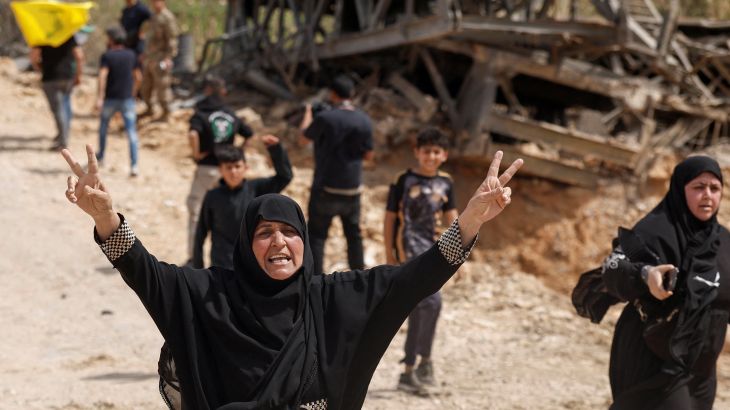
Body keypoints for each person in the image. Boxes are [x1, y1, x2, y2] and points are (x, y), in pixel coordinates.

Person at [61, 144, 522, 409]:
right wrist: (105, 218)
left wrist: (470, 221)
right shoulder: (210, 295)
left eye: (289, 232)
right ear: (247, 245)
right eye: (264, 233)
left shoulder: (335, 299)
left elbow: (416, 278)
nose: (279, 242)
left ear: (305, 240)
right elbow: (143, 271)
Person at [600, 155, 730, 410]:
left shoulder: (723, 242)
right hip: (653, 359)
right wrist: (646, 274)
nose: (707, 195)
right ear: (680, 189)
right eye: (698, 187)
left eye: (715, 188)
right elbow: (613, 266)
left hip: (701, 369)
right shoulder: (656, 230)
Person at [383, 128, 458, 394]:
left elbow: (453, 219)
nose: (431, 156)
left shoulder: (446, 182)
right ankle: (418, 365)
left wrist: (460, 255)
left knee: (424, 307)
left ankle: (414, 368)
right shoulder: (403, 179)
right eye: (426, 151)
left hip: (434, 250)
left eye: (436, 152)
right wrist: (389, 252)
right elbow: (390, 218)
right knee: (431, 302)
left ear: (444, 155)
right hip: (409, 250)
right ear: (417, 152)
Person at [299, 74, 373, 274]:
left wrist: (308, 112)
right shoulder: (364, 120)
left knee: (316, 236)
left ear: (332, 94)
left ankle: (316, 282)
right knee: (354, 235)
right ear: (352, 94)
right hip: (352, 189)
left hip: (325, 187)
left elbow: (303, 139)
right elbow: (368, 155)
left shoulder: (325, 118)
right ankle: (360, 278)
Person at [184, 75, 254, 265]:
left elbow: (193, 134)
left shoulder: (201, 113)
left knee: (196, 212)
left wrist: (197, 154)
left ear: (207, 90)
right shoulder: (231, 114)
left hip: (207, 168)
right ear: (223, 91)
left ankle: (194, 257)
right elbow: (249, 133)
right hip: (228, 170)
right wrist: (238, 154)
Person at [192, 140, 293, 270]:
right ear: (221, 170)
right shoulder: (212, 196)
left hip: (252, 264)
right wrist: (198, 270)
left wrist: (276, 149)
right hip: (222, 266)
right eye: (228, 167)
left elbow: (285, 177)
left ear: (246, 167)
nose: (233, 171)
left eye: (237, 166)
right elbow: (200, 233)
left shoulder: (257, 189)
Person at [95, 26, 142, 177]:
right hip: (127, 99)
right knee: (132, 132)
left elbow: (102, 76)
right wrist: (133, 94)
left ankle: (101, 157)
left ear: (112, 40)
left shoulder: (107, 56)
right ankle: (134, 165)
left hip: (110, 99)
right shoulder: (132, 55)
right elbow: (138, 77)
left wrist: (100, 97)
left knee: (103, 128)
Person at [30, 35, 84, 151]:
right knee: (65, 105)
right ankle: (63, 134)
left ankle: (63, 141)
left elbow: (34, 57)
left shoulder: (42, 36)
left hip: (51, 78)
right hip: (67, 77)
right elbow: (79, 56)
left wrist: (39, 68)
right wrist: (79, 75)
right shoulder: (68, 35)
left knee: (58, 110)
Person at [139, 0, 178, 121]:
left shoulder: (167, 17)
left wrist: (168, 58)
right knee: (146, 87)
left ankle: (166, 113)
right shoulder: (153, 16)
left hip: (161, 57)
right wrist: (145, 54)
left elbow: (172, 39)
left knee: (162, 86)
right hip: (150, 57)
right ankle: (150, 109)